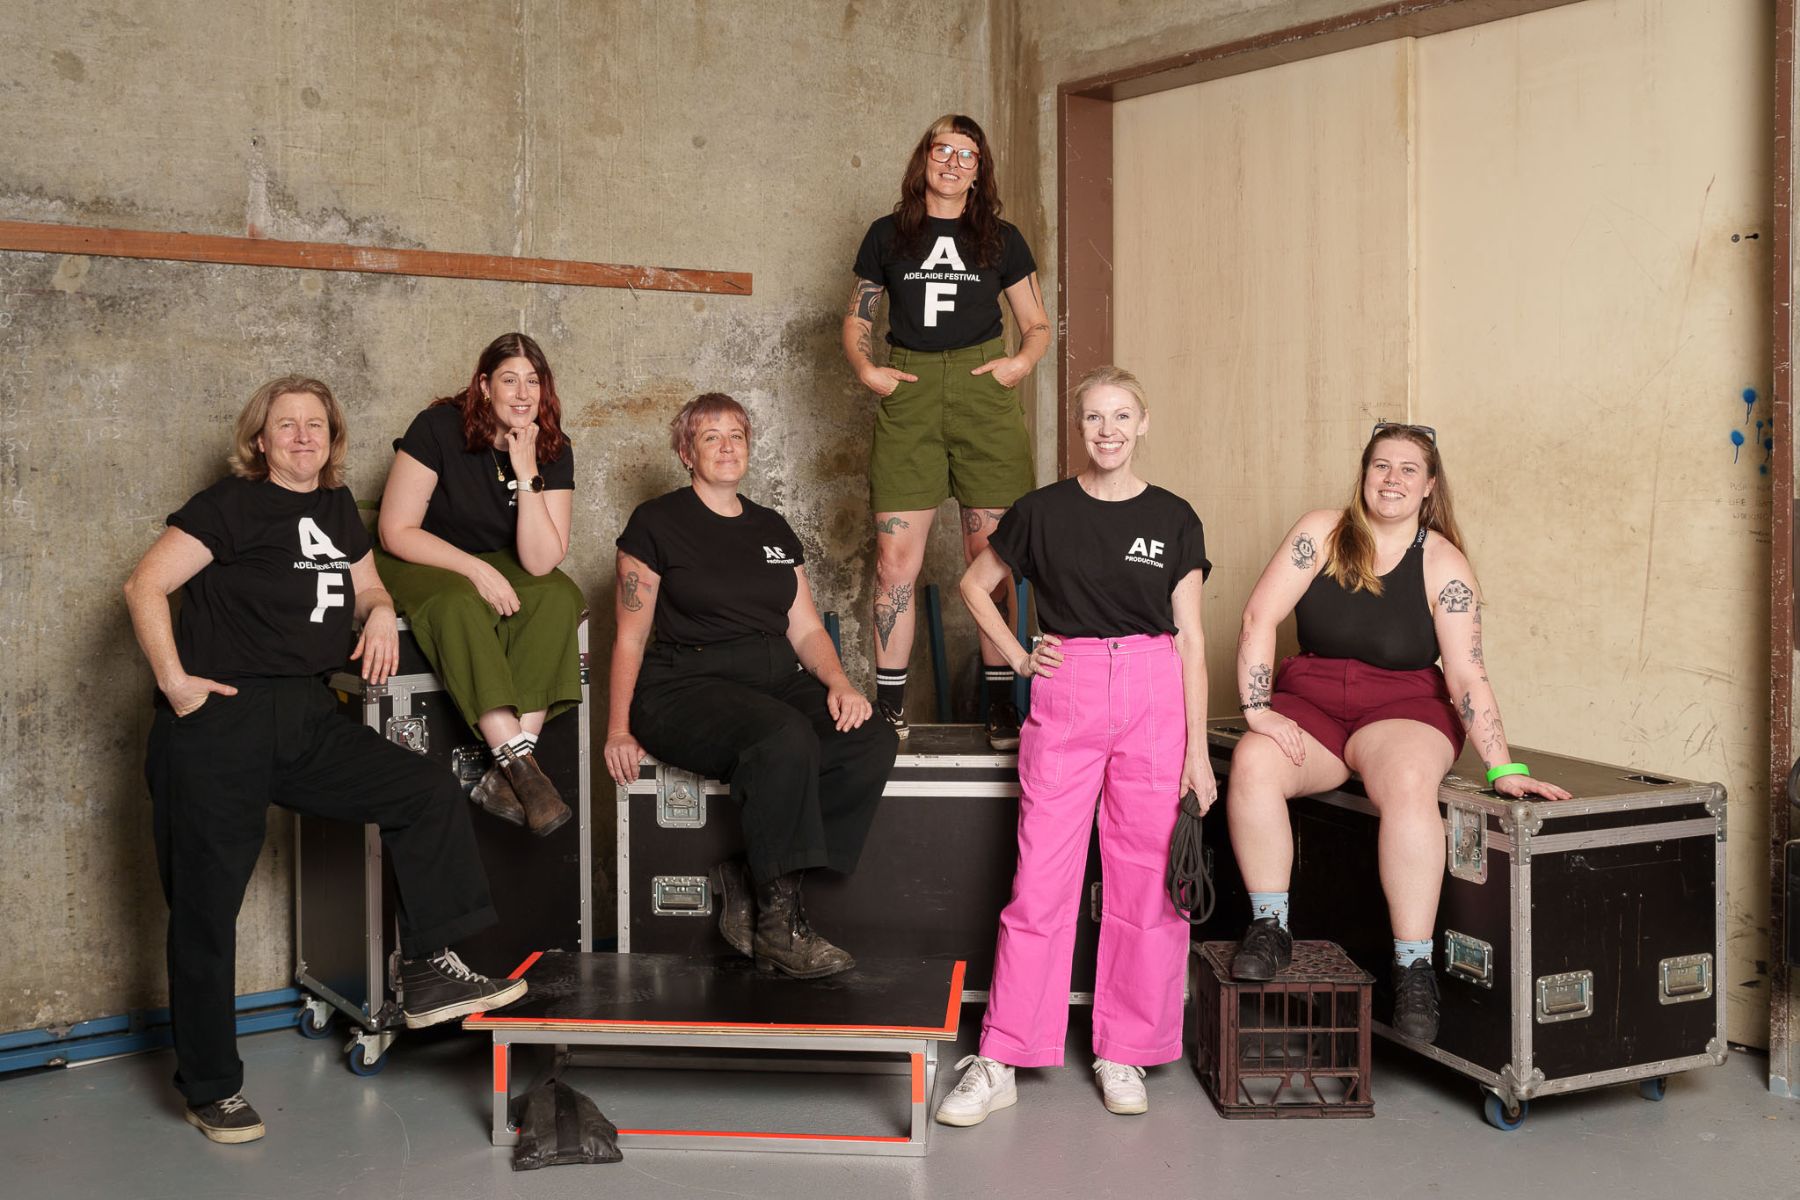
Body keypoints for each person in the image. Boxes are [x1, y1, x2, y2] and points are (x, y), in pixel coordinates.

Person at [123, 376, 525, 1145]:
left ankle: (429, 965)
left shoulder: (337, 509)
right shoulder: (228, 506)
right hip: (218, 725)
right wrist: (176, 686)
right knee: (207, 913)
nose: (302, 437)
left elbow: (370, 584)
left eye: (316, 425)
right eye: (286, 425)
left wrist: (378, 614)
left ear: (332, 438)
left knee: (421, 788)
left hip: (306, 715)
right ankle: (212, 1087)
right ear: (261, 438)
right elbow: (145, 585)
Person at [1225, 422, 1571, 1043]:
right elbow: (1259, 616)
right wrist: (1257, 710)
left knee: (1410, 784)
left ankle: (1414, 967)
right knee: (1253, 762)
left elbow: (1466, 675)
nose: (1392, 479)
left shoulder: (1443, 562)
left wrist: (1503, 767)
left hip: (1403, 706)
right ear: (1363, 476)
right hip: (1314, 700)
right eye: (1381, 466)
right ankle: (1270, 926)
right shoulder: (1320, 533)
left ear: (1430, 486)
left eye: (1408, 469)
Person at [935, 367, 1212, 1126]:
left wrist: (1199, 754)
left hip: (1155, 693)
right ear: (1078, 427)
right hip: (1070, 689)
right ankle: (1004, 1053)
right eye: (1094, 418)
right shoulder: (1042, 512)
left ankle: (1124, 1048)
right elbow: (971, 586)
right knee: (1041, 882)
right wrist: (1020, 655)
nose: (1108, 430)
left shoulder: (1175, 516)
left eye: (1122, 415)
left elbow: (1191, 640)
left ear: (1143, 422)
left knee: (1146, 884)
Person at [604, 393, 899, 979]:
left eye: (736, 434)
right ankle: (778, 931)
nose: (727, 446)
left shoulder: (772, 527)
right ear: (686, 451)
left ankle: (750, 871)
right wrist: (617, 728)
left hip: (771, 683)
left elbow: (806, 626)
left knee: (867, 737)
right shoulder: (656, 523)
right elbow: (630, 637)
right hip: (682, 688)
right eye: (711, 436)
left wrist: (840, 682)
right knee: (783, 736)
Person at [842, 113, 1052, 748]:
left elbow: (1037, 325)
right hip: (908, 389)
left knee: (991, 558)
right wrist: (865, 368)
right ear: (924, 159)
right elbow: (856, 318)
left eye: (968, 154)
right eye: (944, 150)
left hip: (982, 392)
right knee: (892, 561)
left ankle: (1000, 705)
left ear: (980, 169)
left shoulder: (1002, 238)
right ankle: (891, 710)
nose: (955, 162)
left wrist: (1019, 363)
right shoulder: (887, 235)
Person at [376, 332, 584, 836]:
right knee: (458, 603)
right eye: (509, 380)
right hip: (421, 553)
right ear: (484, 385)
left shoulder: (551, 446)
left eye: (533, 382)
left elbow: (539, 563)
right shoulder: (438, 427)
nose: (522, 393)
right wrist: (474, 569)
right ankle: (521, 765)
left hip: (503, 560)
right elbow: (395, 529)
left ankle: (507, 774)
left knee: (559, 595)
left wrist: (527, 469)